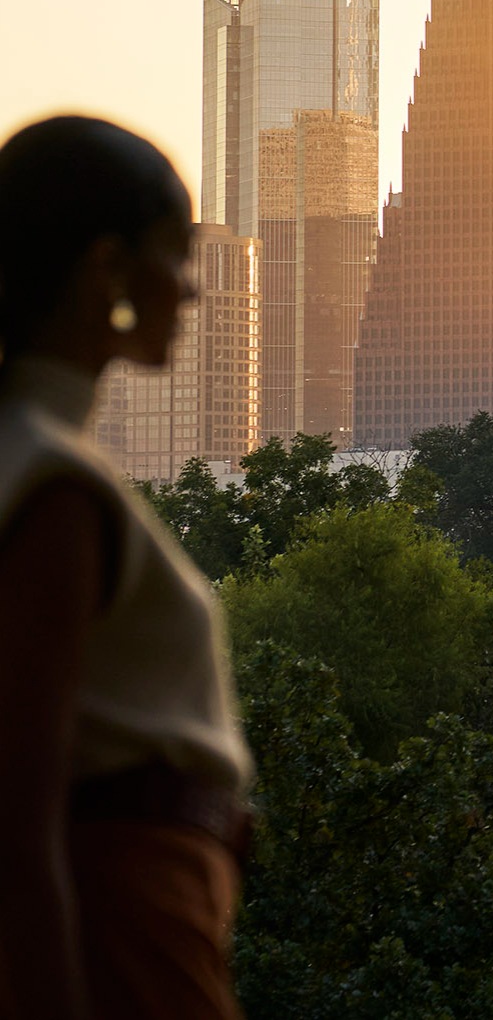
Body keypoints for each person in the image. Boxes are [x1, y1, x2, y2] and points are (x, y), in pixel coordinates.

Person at [0, 117, 251, 1019]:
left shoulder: (44, 461)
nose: (191, 289)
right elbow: (17, 813)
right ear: (106, 268)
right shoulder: (54, 485)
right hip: (124, 923)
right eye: (175, 255)